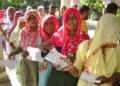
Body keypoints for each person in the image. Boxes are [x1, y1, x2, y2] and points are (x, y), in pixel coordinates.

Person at [63, 3, 120, 86]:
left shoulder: (117, 49)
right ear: (100, 28)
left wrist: (108, 79)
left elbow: (118, 72)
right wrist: (71, 68)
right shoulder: (85, 45)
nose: (112, 34)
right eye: (108, 30)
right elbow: (77, 71)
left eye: (115, 30)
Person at [46, 8, 89, 86]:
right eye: (68, 17)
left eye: (74, 17)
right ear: (65, 19)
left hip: (75, 77)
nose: (71, 20)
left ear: (79, 19)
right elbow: (50, 56)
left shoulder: (85, 37)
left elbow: (88, 59)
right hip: (58, 77)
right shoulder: (56, 36)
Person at [8, 10, 42, 86]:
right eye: (30, 18)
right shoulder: (23, 32)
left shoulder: (42, 31)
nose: (32, 20)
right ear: (27, 19)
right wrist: (14, 52)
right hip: (26, 62)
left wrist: (30, 52)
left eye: (34, 17)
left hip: (38, 63)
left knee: (38, 81)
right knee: (27, 81)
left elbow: (44, 50)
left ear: (38, 18)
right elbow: (21, 46)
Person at [38, 15, 59, 86]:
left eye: (51, 23)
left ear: (55, 24)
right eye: (46, 23)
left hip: (56, 70)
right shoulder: (42, 37)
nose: (48, 26)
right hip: (43, 70)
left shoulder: (59, 37)